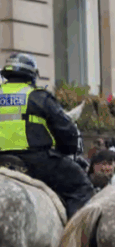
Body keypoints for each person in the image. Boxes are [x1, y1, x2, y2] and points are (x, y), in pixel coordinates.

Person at [0, 52, 94, 216]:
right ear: (31, 75)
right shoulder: (38, 96)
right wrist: (68, 149)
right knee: (81, 187)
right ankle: (76, 238)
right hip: (36, 161)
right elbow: (66, 131)